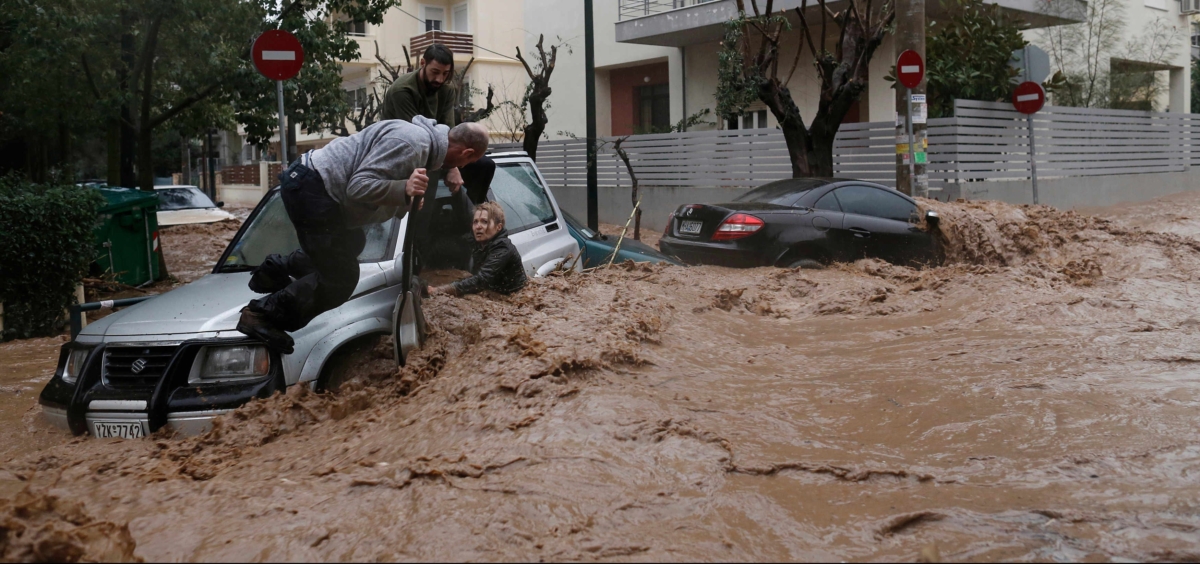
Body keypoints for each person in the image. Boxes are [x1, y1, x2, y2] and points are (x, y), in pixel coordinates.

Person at [237, 117, 491, 353]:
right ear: (467, 153)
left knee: (352, 242)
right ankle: (261, 315)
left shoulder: (423, 144)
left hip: (314, 184)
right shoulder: (412, 145)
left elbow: (378, 185)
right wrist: (404, 190)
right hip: (314, 188)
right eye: (466, 162)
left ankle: (275, 270)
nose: (461, 167)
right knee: (342, 277)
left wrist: (405, 199)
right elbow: (358, 187)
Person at [381, 43, 495, 204]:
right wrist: (451, 167)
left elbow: (448, 131)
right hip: (403, 150)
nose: (439, 79)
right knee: (428, 175)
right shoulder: (402, 90)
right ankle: (420, 226)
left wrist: (454, 164)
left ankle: (474, 219)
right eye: (435, 72)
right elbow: (415, 136)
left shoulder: (446, 89)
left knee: (485, 166)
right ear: (423, 64)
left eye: (445, 74)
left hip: (435, 148)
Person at [428, 201, 526, 297]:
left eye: (484, 222)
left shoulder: (502, 247)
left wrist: (440, 290)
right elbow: (454, 243)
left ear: (498, 227)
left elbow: (481, 280)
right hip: (491, 291)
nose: (478, 226)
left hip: (512, 296)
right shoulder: (478, 239)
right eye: (475, 222)